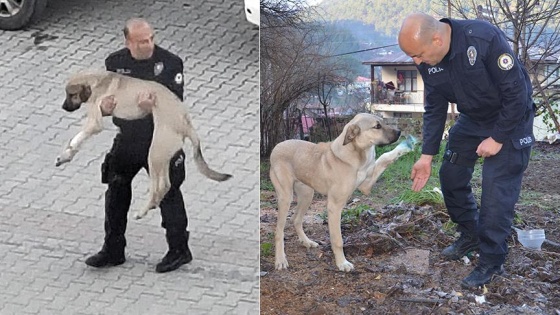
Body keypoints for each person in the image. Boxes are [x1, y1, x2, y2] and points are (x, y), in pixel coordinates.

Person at [398, 13, 535, 288]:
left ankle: (492, 260)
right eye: (413, 57)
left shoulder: (482, 38)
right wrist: (427, 156)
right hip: (473, 119)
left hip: (511, 118)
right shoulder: (429, 60)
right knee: (451, 175)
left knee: (496, 188)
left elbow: (517, 92)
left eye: (419, 55)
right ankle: (470, 234)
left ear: (437, 39)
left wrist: (497, 137)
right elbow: (434, 108)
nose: (416, 62)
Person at [85, 18, 193, 273]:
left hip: (161, 138)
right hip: (129, 137)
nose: (148, 45)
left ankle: (179, 249)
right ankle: (113, 249)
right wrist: (104, 108)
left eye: (151, 39)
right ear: (128, 42)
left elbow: (176, 107)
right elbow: (105, 99)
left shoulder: (170, 63)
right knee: (116, 187)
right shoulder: (115, 63)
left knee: (167, 192)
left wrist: (151, 107)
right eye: (142, 41)